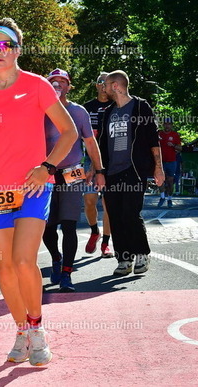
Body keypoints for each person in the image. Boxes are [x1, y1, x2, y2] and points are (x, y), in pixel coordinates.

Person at [0, 18, 77, 366]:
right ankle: (21, 331)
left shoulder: (37, 86)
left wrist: (47, 167)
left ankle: (37, 329)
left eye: (4, 44)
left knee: (23, 260)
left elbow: (69, 132)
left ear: (17, 50)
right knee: (4, 267)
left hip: (33, 185)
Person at [42, 68, 106, 293]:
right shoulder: (39, 111)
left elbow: (90, 143)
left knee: (69, 225)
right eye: (53, 81)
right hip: (46, 175)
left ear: (69, 87)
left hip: (73, 174)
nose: (58, 85)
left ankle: (67, 274)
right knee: (47, 226)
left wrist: (99, 170)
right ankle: (56, 258)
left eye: (63, 82)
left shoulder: (78, 112)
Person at [98, 70, 164, 276]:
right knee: (115, 215)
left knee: (130, 214)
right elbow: (101, 144)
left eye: (106, 84)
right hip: (111, 172)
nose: (103, 88)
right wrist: (98, 171)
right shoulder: (108, 112)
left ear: (115, 85)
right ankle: (124, 258)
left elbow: (153, 139)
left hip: (133, 169)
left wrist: (158, 167)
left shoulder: (140, 107)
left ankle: (142, 253)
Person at [82, 72, 114, 257]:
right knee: (89, 201)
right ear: (96, 85)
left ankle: (106, 243)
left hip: (111, 160)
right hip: (90, 160)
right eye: (101, 82)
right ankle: (95, 231)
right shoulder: (86, 108)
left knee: (108, 203)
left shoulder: (116, 106)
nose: (103, 85)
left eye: (107, 82)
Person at [157, 118, 182, 208]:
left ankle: (170, 199)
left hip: (171, 161)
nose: (167, 125)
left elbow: (180, 148)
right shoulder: (159, 134)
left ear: (171, 125)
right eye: (166, 124)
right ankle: (162, 197)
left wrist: (173, 145)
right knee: (160, 180)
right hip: (161, 161)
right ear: (163, 125)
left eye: (169, 124)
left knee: (170, 181)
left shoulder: (175, 135)